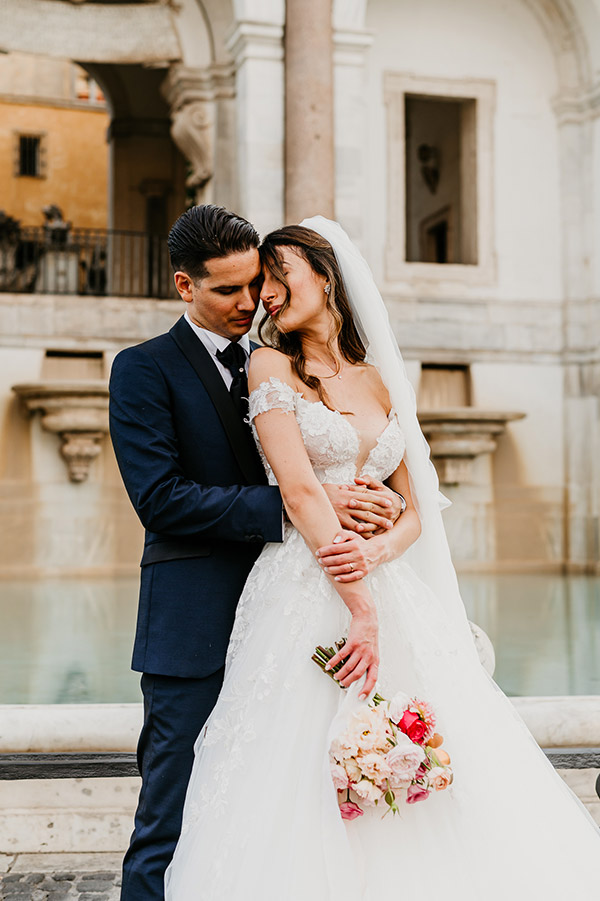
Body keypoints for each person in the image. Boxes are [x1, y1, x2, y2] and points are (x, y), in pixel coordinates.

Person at [165, 217, 600, 901]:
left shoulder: (378, 381)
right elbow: (303, 492)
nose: (267, 296)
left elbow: (418, 508)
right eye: (259, 284)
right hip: (308, 588)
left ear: (326, 273)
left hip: (386, 584)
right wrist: (361, 608)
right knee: (298, 765)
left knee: (423, 760)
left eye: (279, 276)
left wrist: (381, 546)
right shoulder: (269, 364)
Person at [108, 205, 402, 901]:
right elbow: (162, 499)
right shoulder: (143, 369)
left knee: (298, 814)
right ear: (184, 287)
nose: (249, 303)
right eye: (227, 291)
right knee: (171, 820)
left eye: (256, 284)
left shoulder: (296, 361)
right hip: (196, 625)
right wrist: (302, 506)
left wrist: (378, 500)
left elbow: (351, 456)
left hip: (301, 613)